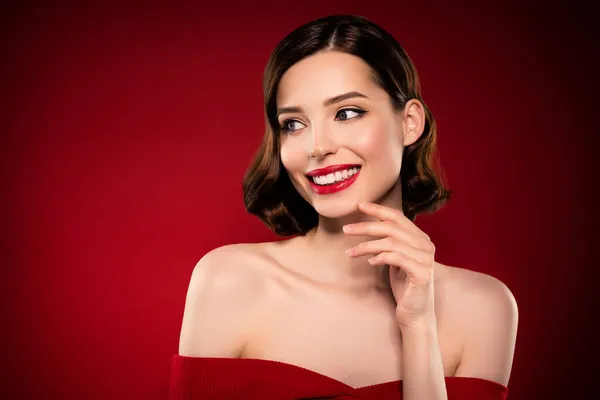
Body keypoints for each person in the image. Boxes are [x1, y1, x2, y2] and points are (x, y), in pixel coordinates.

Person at [169, 14, 518, 400]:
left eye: (347, 113)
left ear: (410, 122)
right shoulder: (230, 281)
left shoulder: (485, 309)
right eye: (294, 123)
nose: (317, 146)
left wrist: (419, 326)